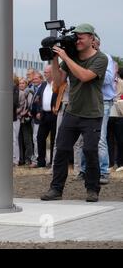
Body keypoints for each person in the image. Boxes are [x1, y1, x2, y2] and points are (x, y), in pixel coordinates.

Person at [41, 23, 108, 203]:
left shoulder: (100, 59)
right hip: (72, 112)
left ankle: (92, 189)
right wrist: (55, 58)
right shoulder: (69, 57)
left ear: (92, 39)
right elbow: (58, 82)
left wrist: (66, 57)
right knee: (61, 150)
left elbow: (85, 76)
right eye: (76, 36)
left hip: (92, 113)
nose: (77, 40)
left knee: (90, 150)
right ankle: (56, 189)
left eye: (81, 37)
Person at [78, 35, 115, 184]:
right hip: (86, 102)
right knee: (84, 138)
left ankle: (104, 171)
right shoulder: (81, 58)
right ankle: (84, 170)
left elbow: (108, 79)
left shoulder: (105, 58)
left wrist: (91, 72)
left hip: (103, 101)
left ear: (97, 43)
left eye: (94, 43)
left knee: (100, 138)